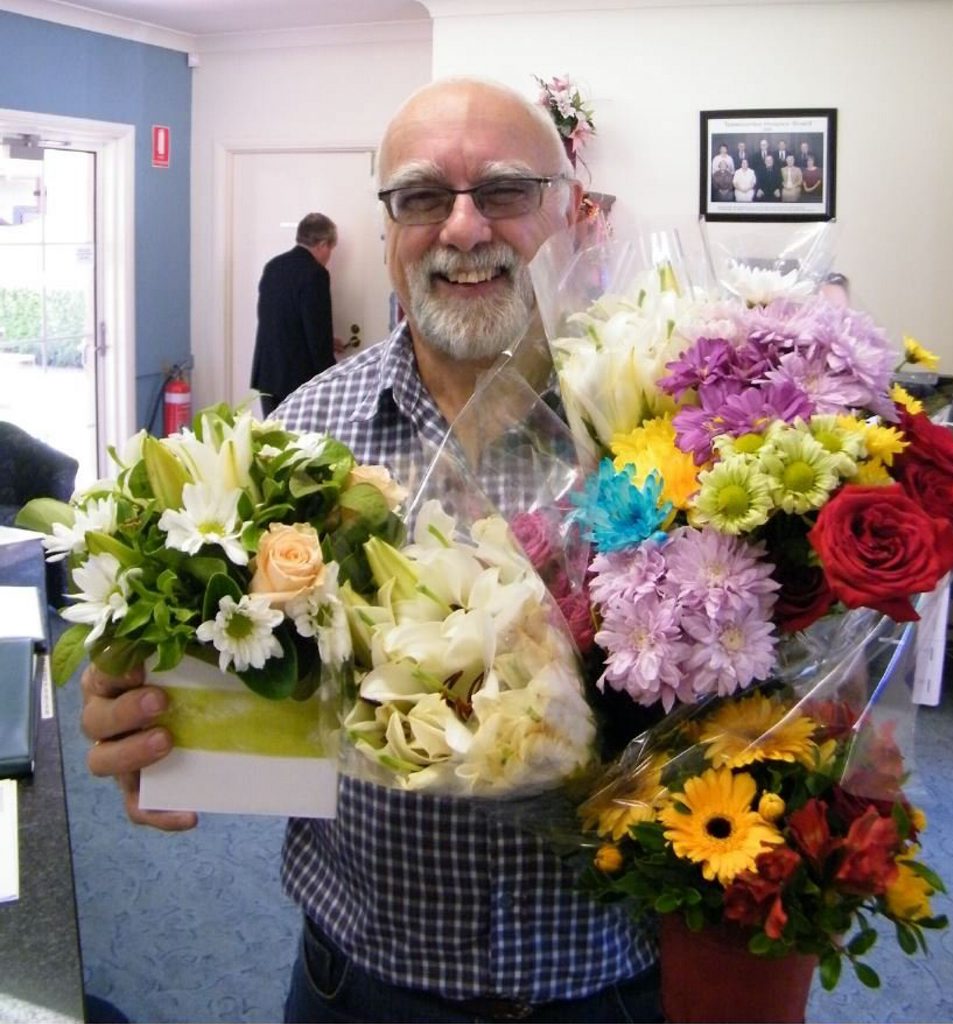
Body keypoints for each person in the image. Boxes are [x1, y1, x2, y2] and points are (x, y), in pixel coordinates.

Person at [78, 77, 663, 1024]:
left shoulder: (662, 426)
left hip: (612, 982)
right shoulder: (298, 445)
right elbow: (230, 662)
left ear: (568, 213)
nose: (464, 229)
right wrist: (154, 708)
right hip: (364, 986)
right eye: (424, 197)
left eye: (506, 192)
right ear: (388, 227)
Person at [249, 212, 338, 417]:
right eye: (331, 249)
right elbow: (316, 336)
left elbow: (277, 319)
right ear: (323, 244)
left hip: (268, 373)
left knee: (273, 443)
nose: (329, 256)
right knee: (300, 445)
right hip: (298, 379)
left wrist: (327, 339)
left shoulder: (273, 266)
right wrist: (332, 378)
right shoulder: (315, 274)